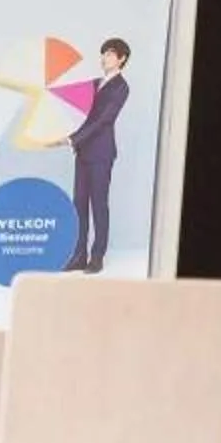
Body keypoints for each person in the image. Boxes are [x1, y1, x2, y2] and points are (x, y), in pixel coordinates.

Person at [61, 36, 132, 274]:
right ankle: (78, 256)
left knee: (99, 205)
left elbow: (104, 121)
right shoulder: (93, 83)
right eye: (103, 54)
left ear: (121, 59)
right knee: (79, 204)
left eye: (110, 54)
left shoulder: (121, 87)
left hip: (101, 153)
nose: (104, 58)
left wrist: (73, 139)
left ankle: (97, 257)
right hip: (82, 152)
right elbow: (73, 107)